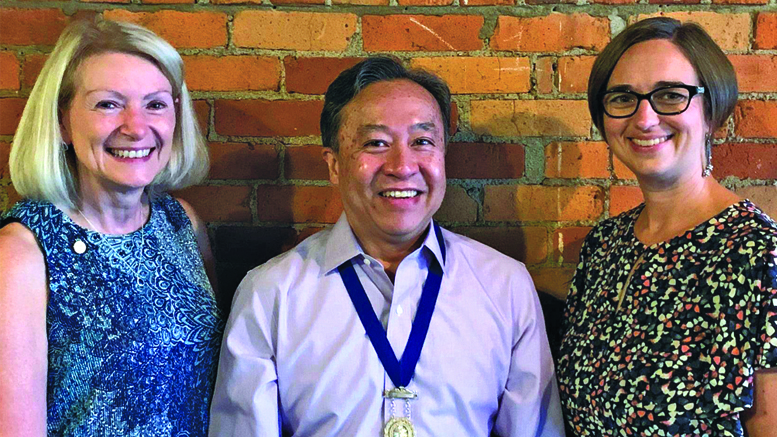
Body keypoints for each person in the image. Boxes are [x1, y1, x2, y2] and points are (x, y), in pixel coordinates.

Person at [209, 57, 564, 436]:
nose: (402, 165)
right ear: (334, 166)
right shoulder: (270, 294)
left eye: (422, 142)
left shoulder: (505, 285)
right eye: (376, 143)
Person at [0, 18, 223, 436]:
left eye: (155, 104)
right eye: (108, 104)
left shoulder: (182, 224)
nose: (136, 127)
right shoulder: (21, 252)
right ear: (63, 122)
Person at [557, 17, 777, 436]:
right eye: (623, 98)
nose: (644, 118)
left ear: (711, 111)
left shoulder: (759, 254)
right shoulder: (605, 246)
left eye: (670, 95)